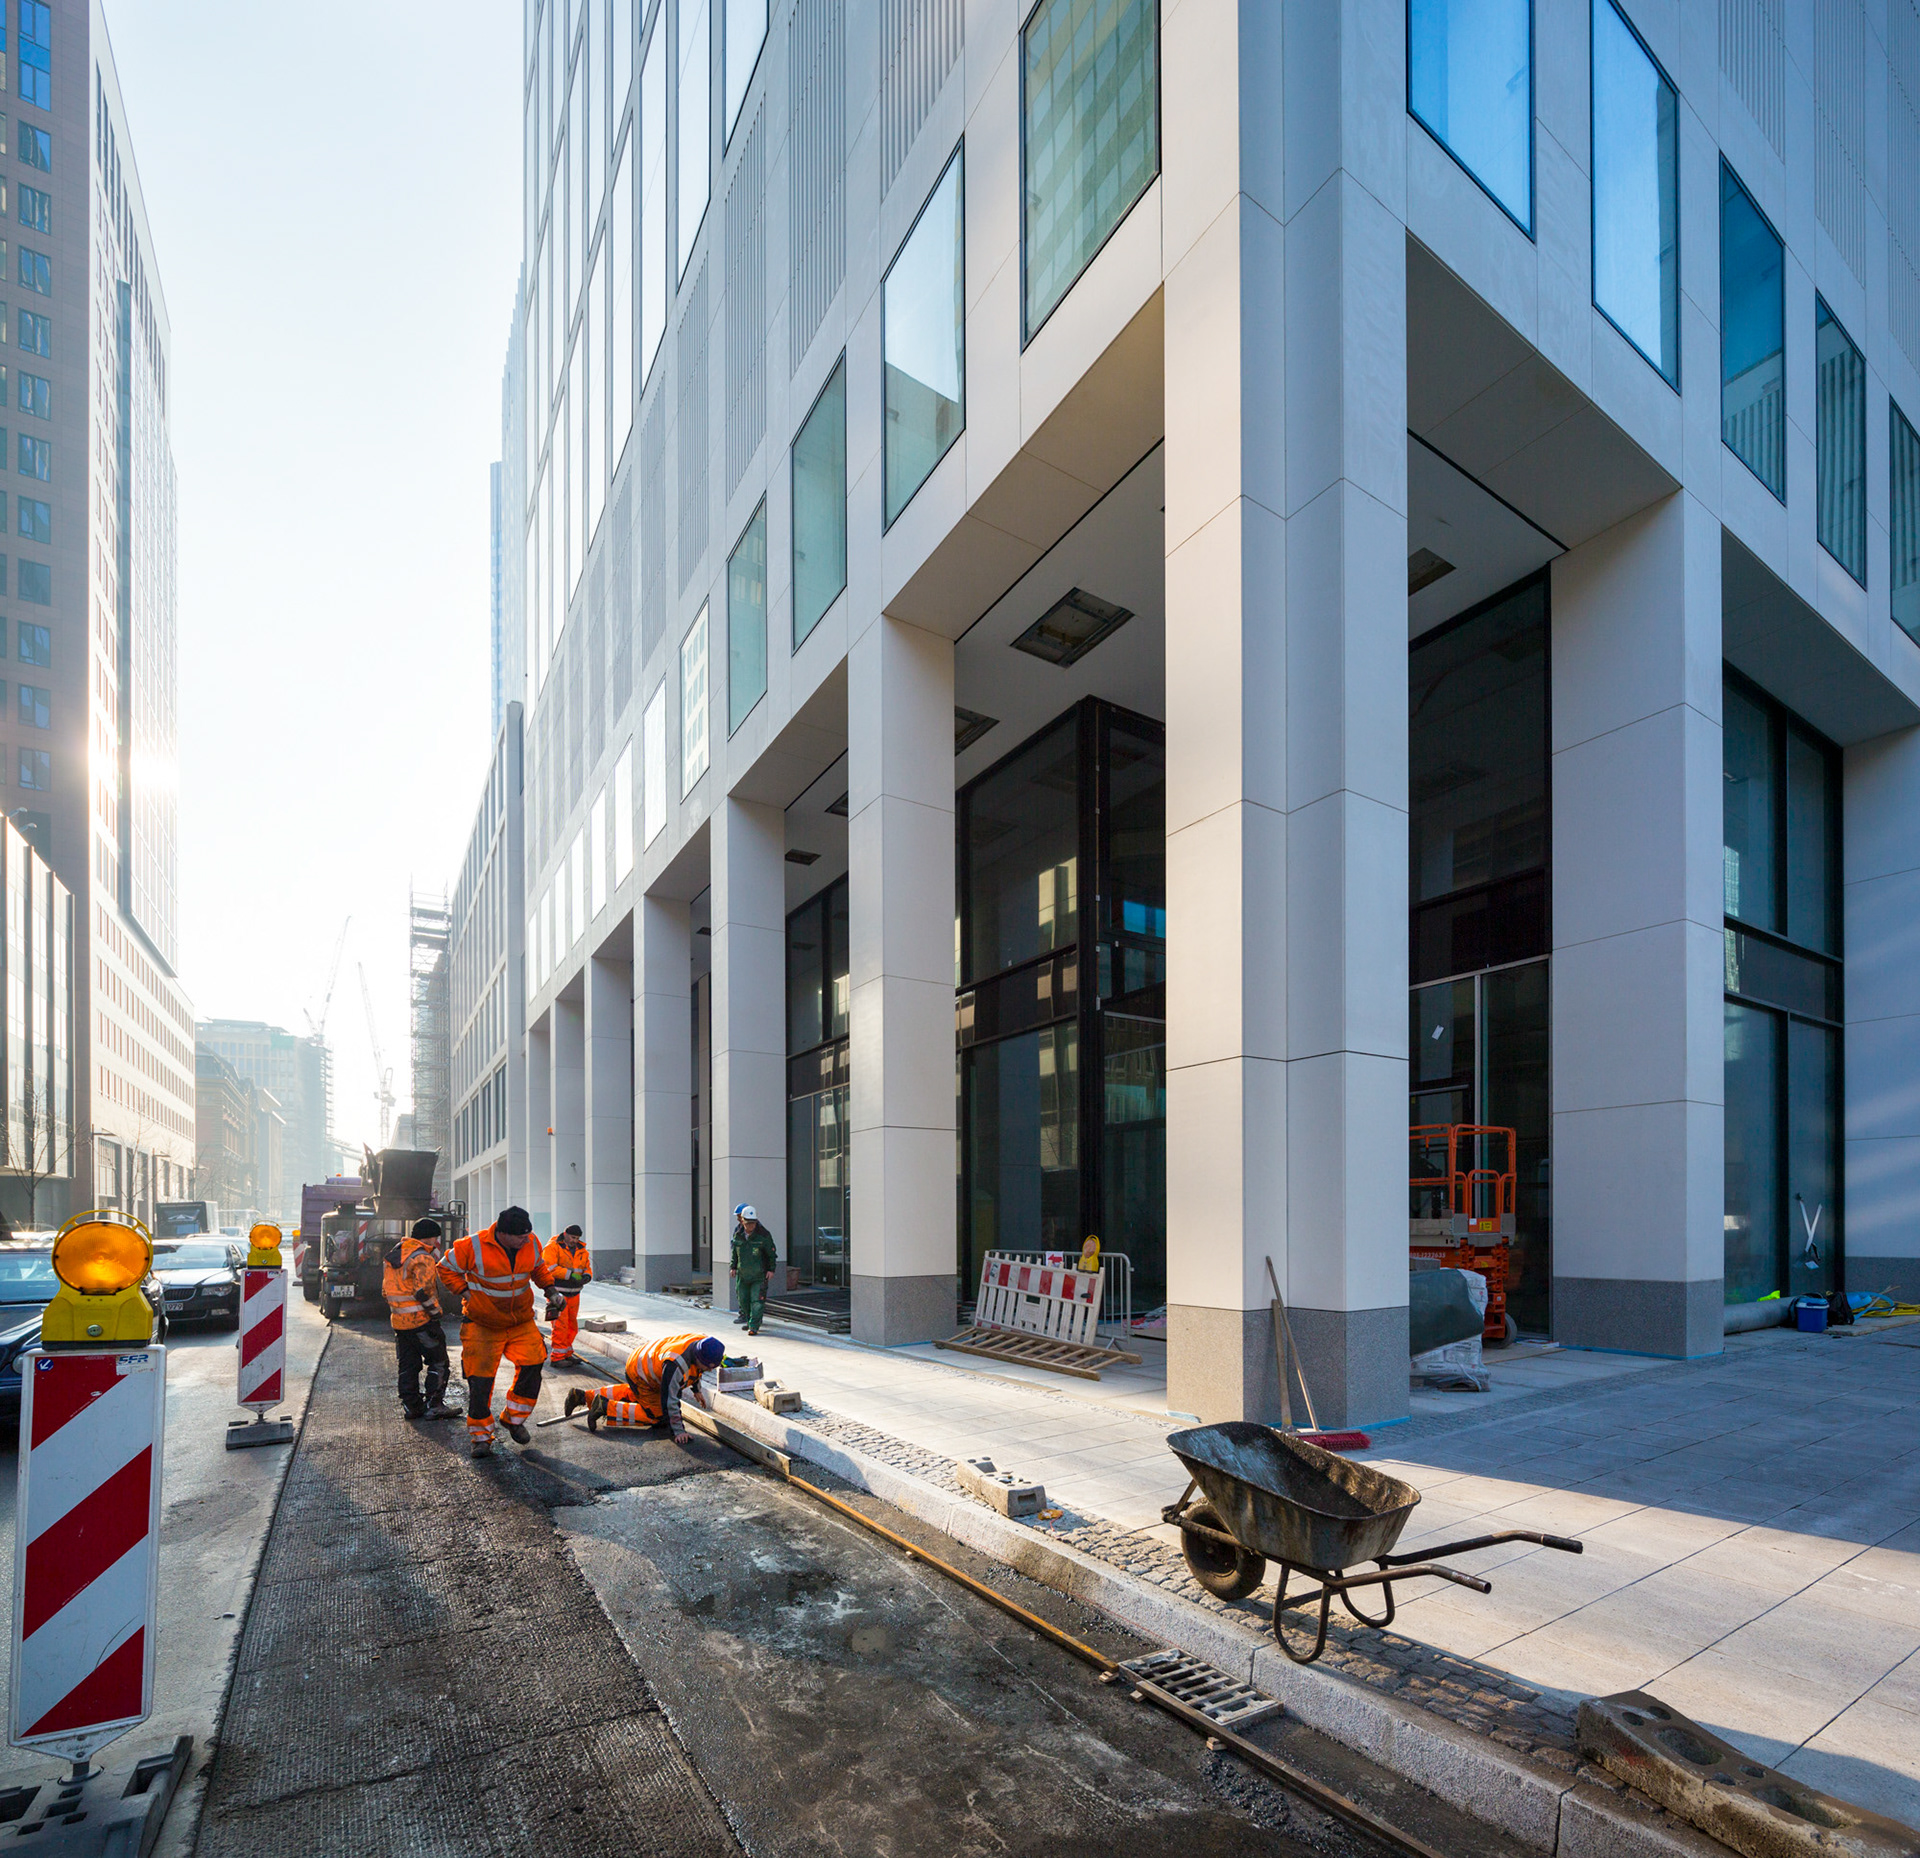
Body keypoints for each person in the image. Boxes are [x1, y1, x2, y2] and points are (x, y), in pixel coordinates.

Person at [437, 1205, 557, 1458]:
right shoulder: (472, 1245)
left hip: (520, 1321)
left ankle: (513, 1419)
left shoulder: (530, 1242)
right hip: (482, 1323)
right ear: (503, 1234)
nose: (526, 1240)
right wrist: (466, 1293)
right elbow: (445, 1267)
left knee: (534, 1363)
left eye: (528, 1235)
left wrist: (550, 1290)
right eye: (520, 1237)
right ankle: (481, 1438)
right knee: (480, 1381)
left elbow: (538, 1268)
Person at [565, 1333, 725, 1442]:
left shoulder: (703, 1343)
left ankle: (583, 1396)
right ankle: (605, 1407)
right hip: (641, 1373)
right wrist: (678, 1430)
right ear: (699, 1357)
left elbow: (697, 1368)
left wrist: (696, 1390)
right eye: (708, 1367)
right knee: (658, 1415)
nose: (710, 1370)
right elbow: (670, 1399)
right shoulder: (676, 1365)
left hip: (643, 1361)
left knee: (640, 1395)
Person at [384, 1217, 459, 1421]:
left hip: (399, 1323)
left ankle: (412, 1407)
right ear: (431, 1238)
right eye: (436, 1238)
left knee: (408, 1365)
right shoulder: (422, 1257)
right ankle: (434, 1405)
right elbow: (422, 1291)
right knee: (438, 1361)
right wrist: (435, 1314)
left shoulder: (395, 1254)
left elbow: (385, 1291)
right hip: (421, 1322)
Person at [542, 1224, 592, 1365]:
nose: (574, 1240)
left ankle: (567, 1353)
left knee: (571, 1325)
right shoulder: (553, 1247)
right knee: (560, 1325)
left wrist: (587, 1276)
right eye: (572, 1237)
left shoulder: (582, 1250)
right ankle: (557, 1358)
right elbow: (549, 1268)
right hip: (557, 1292)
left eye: (577, 1238)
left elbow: (587, 1267)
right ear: (565, 1234)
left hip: (574, 1293)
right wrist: (570, 1275)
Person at [733, 1205, 778, 1338]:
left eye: (753, 1223)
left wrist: (771, 1269)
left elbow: (771, 1254)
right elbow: (734, 1253)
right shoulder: (738, 1234)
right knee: (743, 1300)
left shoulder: (763, 1235)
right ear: (743, 1221)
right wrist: (733, 1267)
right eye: (748, 1224)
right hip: (742, 1274)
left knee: (757, 1301)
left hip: (759, 1275)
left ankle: (754, 1326)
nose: (750, 1226)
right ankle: (750, 1320)